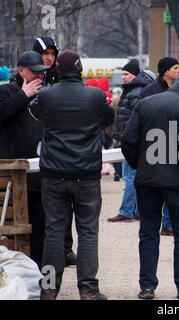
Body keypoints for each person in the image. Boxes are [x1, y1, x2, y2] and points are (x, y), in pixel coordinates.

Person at [30, 50, 114, 300]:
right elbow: (108, 118)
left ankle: (49, 288)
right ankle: (88, 289)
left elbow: (34, 113)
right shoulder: (96, 95)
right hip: (86, 174)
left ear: (57, 70)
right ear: (80, 70)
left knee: (53, 231)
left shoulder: (46, 95)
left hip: (53, 174)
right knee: (88, 232)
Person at [121, 73, 179, 299]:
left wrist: (138, 164)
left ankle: (147, 287)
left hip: (146, 179)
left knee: (148, 232)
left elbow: (127, 139)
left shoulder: (145, 103)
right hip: (178, 181)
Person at [33, 36, 78, 267]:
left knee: (66, 203)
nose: (49, 58)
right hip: (39, 146)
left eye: (52, 54)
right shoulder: (31, 80)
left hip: (59, 145)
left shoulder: (61, 79)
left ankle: (66, 248)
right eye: (45, 54)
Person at [0, 51, 47, 269]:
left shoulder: (44, 95)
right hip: (9, 177)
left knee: (39, 228)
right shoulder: (5, 91)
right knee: (9, 228)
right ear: (20, 71)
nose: (40, 76)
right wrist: (22, 95)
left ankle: (36, 277)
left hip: (38, 175)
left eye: (42, 72)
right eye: (35, 71)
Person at [108, 60, 155, 222]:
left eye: (126, 74)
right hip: (134, 141)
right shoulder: (134, 89)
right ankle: (135, 211)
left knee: (130, 176)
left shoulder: (135, 91)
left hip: (133, 142)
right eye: (122, 74)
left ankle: (127, 211)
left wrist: (129, 138)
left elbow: (138, 117)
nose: (123, 77)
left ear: (135, 75)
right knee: (133, 177)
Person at [139, 56, 179, 235]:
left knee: (172, 187)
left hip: (173, 145)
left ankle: (168, 224)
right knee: (154, 191)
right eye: (176, 68)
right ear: (166, 71)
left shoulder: (178, 90)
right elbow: (140, 117)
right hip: (152, 145)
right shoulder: (150, 91)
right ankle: (153, 225)